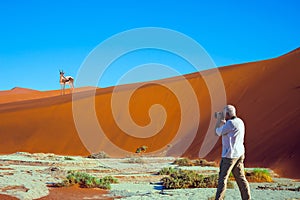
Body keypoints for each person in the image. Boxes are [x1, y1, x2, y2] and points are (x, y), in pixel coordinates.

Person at [215, 105, 251, 200]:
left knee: (222, 179)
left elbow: (218, 131)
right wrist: (223, 122)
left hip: (229, 155)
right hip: (239, 153)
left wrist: (219, 121)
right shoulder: (240, 121)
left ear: (227, 114)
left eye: (224, 114)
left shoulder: (230, 123)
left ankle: (219, 198)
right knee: (240, 178)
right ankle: (246, 198)